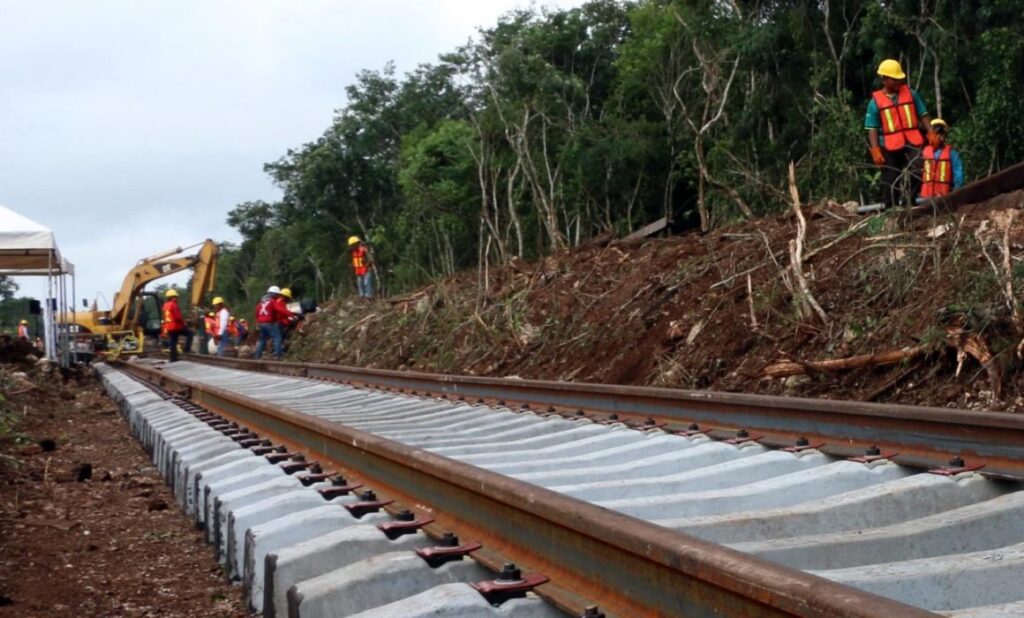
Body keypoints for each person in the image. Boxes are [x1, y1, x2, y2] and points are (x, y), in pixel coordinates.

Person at [865, 58, 933, 208]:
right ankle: (891, 208)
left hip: (911, 140)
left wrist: (931, 132)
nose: (897, 83)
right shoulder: (875, 102)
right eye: (894, 80)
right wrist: (875, 149)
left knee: (918, 167)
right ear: (884, 79)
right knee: (890, 178)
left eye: (899, 79)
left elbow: (923, 113)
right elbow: (872, 128)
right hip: (889, 144)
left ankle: (910, 201)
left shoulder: (911, 94)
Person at [917, 118, 964, 202]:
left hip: (944, 196)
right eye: (936, 133)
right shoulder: (924, 152)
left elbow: (958, 175)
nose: (939, 137)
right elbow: (916, 174)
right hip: (924, 198)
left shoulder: (952, 153)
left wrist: (955, 193)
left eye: (941, 134)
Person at [254, 286, 286, 360]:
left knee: (262, 339)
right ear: (273, 294)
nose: (278, 296)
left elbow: (257, 313)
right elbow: (281, 310)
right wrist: (292, 314)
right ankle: (278, 355)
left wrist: (257, 322)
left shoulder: (261, 302)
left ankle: (257, 356)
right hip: (269, 323)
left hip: (261, 323)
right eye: (277, 295)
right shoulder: (272, 302)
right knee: (277, 337)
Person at [161, 289, 186, 362]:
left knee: (172, 341)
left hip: (168, 326)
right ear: (172, 297)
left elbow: (164, 316)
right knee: (189, 334)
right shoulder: (173, 304)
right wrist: (183, 324)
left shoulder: (165, 305)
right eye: (175, 297)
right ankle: (186, 350)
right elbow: (178, 317)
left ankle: (173, 358)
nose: (177, 298)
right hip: (175, 325)